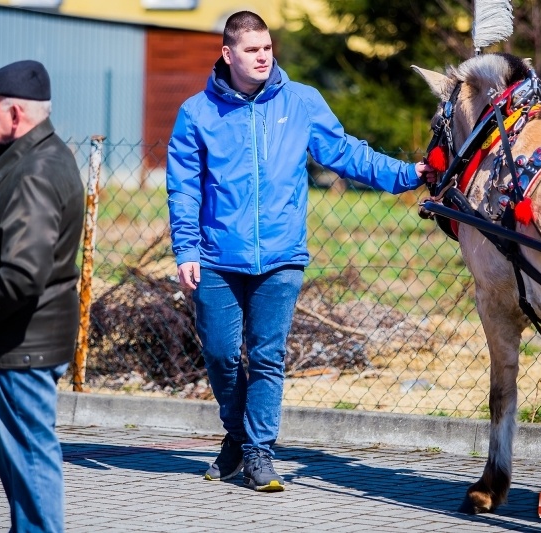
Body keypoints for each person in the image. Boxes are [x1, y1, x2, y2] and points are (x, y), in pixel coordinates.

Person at [166, 11, 433, 492]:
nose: (263, 55)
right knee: (223, 354)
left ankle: (258, 453)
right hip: (214, 256)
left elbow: (347, 154)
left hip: (282, 255)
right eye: (252, 49)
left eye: (267, 47)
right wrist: (185, 248)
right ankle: (237, 437)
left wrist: (406, 175)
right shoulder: (196, 113)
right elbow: (183, 189)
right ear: (228, 55)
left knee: (267, 356)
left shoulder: (301, 101)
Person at [0, 60, 85, 531]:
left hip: (22, 342)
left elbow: (24, 273)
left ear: (15, 115)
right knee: (20, 459)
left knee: (29, 459)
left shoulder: (34, 170)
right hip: (18, 340)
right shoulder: (35, 157)